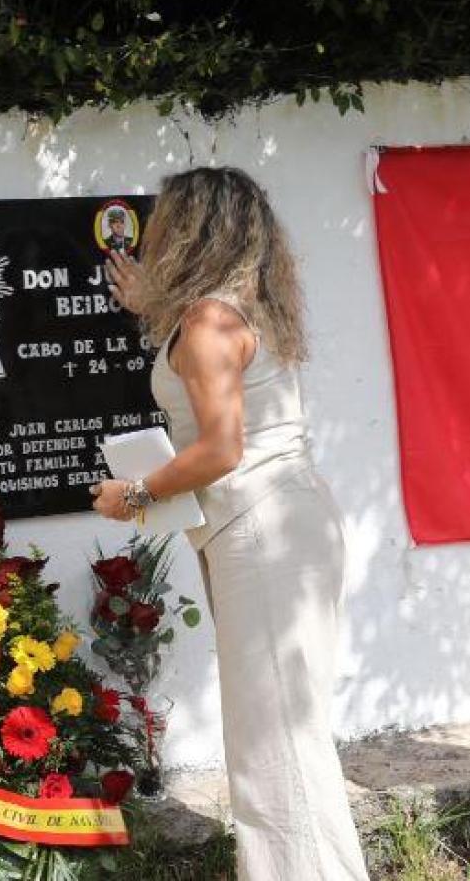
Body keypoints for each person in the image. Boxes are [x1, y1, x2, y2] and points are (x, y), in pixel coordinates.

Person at [91, 166, 369, 881]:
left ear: (189, 230)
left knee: (274, 736)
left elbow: (220, 447)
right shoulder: (237, 310)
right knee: (279, 728)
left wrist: (137, 495)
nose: (152, 235)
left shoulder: (209, 322)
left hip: (261, 530)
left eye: (165, 222)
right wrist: (153, 301)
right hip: (279, 523)